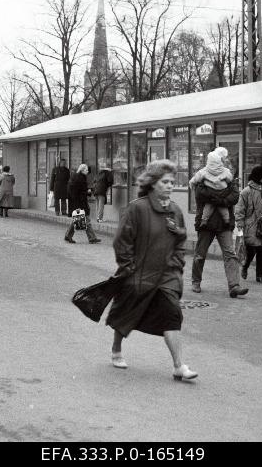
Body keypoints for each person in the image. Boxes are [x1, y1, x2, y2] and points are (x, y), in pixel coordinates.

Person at [105, 159, 197, 382]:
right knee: (126, 313)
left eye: (172, 182)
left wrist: (177, 264)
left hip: (167, 276)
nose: (170, 186)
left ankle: (179, 366)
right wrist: (128, 267)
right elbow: (121, 241)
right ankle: (116, 349)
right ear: (153, 183)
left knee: (172, 314)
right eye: (165, 182)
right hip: (139, 274)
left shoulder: (174, 210)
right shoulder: (136, 208)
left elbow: (181, 240)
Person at [190, 148, 249, 298]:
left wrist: (219, 199)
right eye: (223, 159)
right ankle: (196, 281)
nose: (225, 162)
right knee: (200, 254)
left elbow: (235, 196)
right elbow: (200, 194)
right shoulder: (202, 175)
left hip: (225, 224)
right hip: (206, 224)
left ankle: (234, 286)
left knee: (230, 254)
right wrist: (222, 195)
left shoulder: (228, 175)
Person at [235, 165, 262, 284]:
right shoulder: (246, 191)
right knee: (250, 250)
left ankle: (260, 275)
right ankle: (245, 267)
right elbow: (239, 209)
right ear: (258, 176)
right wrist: (240, 224)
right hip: (249, 226)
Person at [189, 150, 234, 228]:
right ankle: (227, 219)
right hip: (222, 191)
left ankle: (204, 220)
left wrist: (191, 184)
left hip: (210, 191)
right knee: (222, 206)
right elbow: (230, 179)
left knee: (208, 206)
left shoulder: (204, 171)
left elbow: (195, 179)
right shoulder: (225, 170)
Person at [64, 164, 101, 244]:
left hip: (77, 202)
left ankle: (68, 235)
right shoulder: (80, 178)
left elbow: (76, 190)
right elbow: (80, 191)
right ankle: (92, 238)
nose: (87, 171)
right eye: (86, 170)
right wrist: (88, 192)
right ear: (82, 170)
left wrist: (86, 191)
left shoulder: (76, 177)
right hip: (80, 203)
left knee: (77, 219)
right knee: (86, 220)